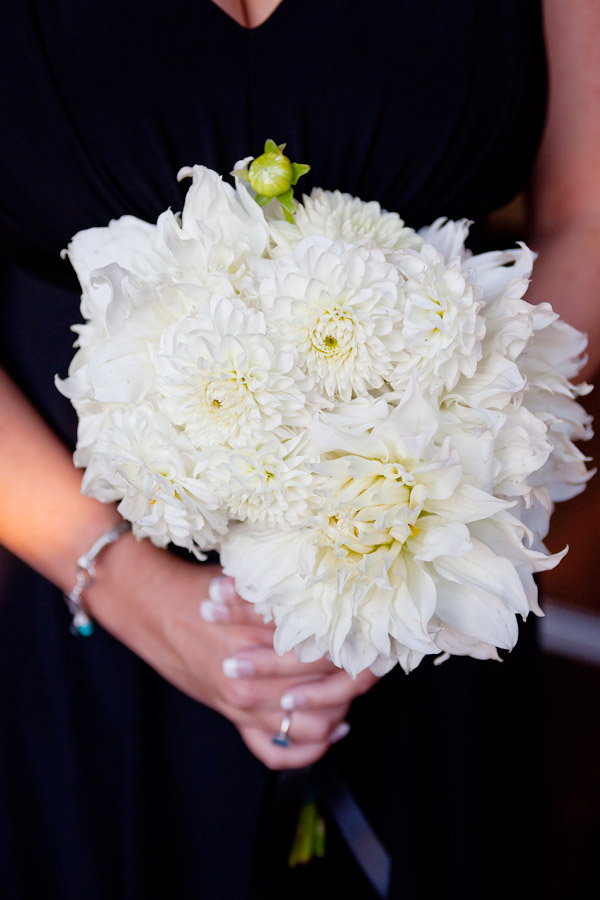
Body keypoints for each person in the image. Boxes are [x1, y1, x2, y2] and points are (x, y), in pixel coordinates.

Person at [0, 1, 598, 898]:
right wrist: (124, 583)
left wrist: (422, 540)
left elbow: (588, 210)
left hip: (435, 597)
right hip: (86, 606)